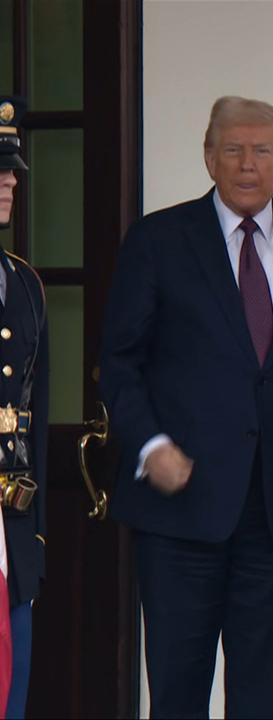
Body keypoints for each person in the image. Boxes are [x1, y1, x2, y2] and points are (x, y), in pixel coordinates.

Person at [100, 96, 273, 719]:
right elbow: (118, 362)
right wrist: (150, 445)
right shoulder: (158, 240)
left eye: (262, 150)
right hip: (180, 512)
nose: (247, 164)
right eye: (233, 149)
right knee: (178, 692)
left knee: (267, 695)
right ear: (208, 157)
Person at [0, 96, 49, 719]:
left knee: (11, 692)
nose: (9, 179)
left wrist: (33, 537)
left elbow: (34, 414)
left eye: (10, 168)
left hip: (10, 527)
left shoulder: (25, 283)